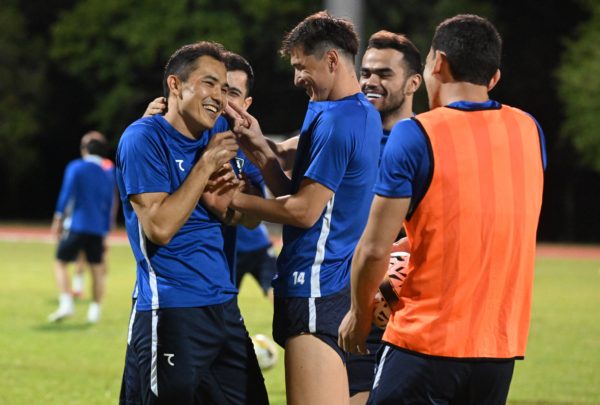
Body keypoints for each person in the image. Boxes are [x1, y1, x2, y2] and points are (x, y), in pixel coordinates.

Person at [338, 14, 546, 405]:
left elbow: (373, 248)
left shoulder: (415, 133)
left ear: (438, 64)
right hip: (499, 349)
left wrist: (359, 314)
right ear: (494, 78)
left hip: (425, 343)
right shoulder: (530, 130)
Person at [227, 11, 382, 405]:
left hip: (315, 285)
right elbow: (299, 193)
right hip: (331, 283)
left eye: (301, 66)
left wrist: (234, 200)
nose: (297, 78)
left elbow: (303, 212)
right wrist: (261, 151)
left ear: (331, 60)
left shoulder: (338, 122)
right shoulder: (348, 110)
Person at [115, 41, 268, 404]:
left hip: (223, 304)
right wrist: (205, 165)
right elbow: (159, 228)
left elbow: (246, 218)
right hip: (172, 308)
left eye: (224, 88)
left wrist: (230, 202)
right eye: (209, 83)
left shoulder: (220, 136)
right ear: (175, 85)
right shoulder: (144, 137)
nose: (218, 97)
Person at [346, 30, 422, 405]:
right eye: (366, 72)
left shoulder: (430, 143)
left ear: (413, 83)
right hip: (351, 300)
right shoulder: (348, 137)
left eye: (384, 74)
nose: (371, 81)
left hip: (408, 304)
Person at [49, 131, 115, 323]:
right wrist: (106, 231)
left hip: (77, 224)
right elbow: (109, 203)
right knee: (97, 270)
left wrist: (58, 219)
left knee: (60, 263)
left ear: (85, 149)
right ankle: (95, 311)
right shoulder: (108, 172)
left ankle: (66, 303)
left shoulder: (76, 167)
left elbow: (66, 193)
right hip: (98, 228)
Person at [70, 132, 118, 300]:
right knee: (80, 254)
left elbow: (111, 196)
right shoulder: (84, 166)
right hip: (84, 217)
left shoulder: (106, 166)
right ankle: (78, 287)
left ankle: (99, 287)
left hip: (98, 219)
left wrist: (110, 219)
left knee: (100, 256)